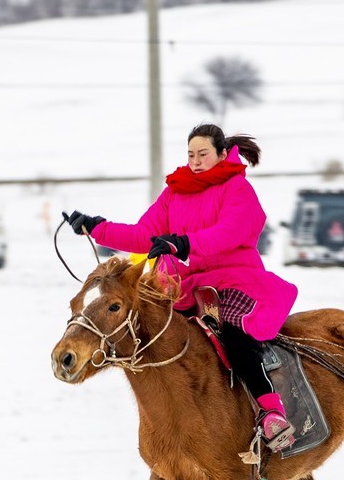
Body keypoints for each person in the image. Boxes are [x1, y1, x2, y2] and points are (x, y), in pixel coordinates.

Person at [64, 123, 300, 451]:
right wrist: (97, 227)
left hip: (232, 280)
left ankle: (271, 410)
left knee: (233, 336)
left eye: (203, 154)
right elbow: (142, 234)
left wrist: (183, 244)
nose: (196, 161)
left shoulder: (237, 189)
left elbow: (230, 232)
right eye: (191, 155)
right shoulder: (176, 191)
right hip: (184, 286)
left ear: (222, 154)